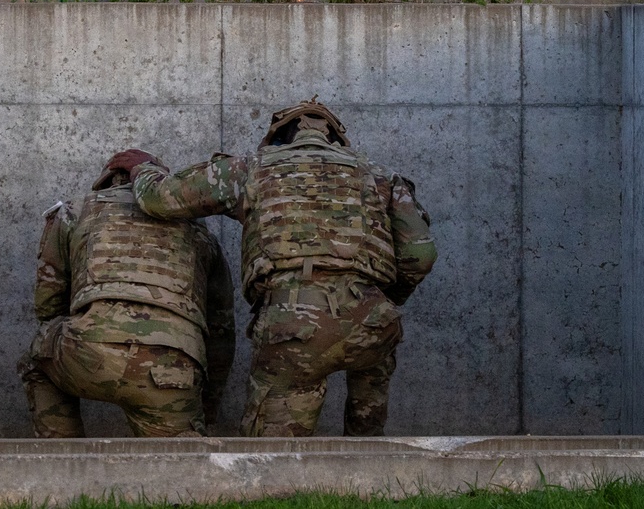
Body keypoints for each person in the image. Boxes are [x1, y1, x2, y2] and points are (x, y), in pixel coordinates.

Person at [112, 99, 437, 437]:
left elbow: (158, 199)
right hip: (375, 320)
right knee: (368, 443)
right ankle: (373, 473)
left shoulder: (252, 167)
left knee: (272, 454)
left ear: (278, 136)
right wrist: (383, 297)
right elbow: (421, 254)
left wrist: (143, 168)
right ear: (337, 140)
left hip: (296, 323)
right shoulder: (381, 176)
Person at [17, 154, 235, 438]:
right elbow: (221, 334)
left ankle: (64, 460)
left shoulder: (76, 210)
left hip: (89, 352)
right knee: (178, 468)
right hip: (172, 371)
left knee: (37, 358)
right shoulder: (200, 232)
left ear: (106, 182)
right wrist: (206, 408)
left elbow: (48, 304)